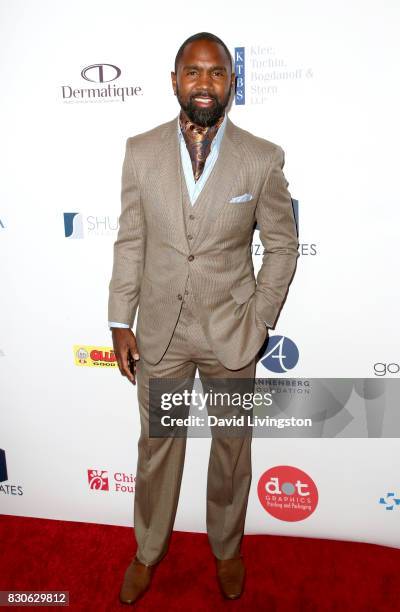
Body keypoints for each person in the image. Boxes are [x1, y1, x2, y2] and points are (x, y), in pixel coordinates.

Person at [108, 31, 299, 605]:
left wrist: (260, 319)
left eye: (216, 73)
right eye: (193, 72)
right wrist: (121, 318)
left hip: (231, 338)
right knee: (157, 447)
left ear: (231, 83)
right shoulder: (140, 152)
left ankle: (227, 548)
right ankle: (147, 551)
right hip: (161, 338)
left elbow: (283, 245)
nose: (204, 83)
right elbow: (130, 241)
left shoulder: (261, 158)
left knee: (232, 447)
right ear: (174, 80)